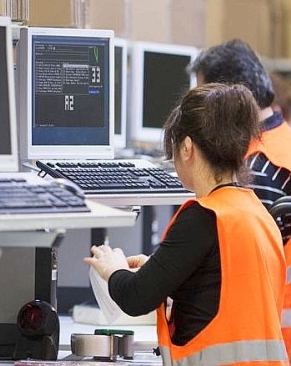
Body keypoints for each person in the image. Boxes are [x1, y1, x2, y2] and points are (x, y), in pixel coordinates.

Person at [85, 83, 287, 366]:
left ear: (187, 148)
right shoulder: (258, 214)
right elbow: (227, 293)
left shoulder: (204, 217)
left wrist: (113, 269)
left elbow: (135, 298)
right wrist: (163, 271)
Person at [190, 39, 291, 357]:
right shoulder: (281, 144)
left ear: (230, 98)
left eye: (205, 100)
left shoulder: (256, 172)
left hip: (269, 342)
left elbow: (227, 268)